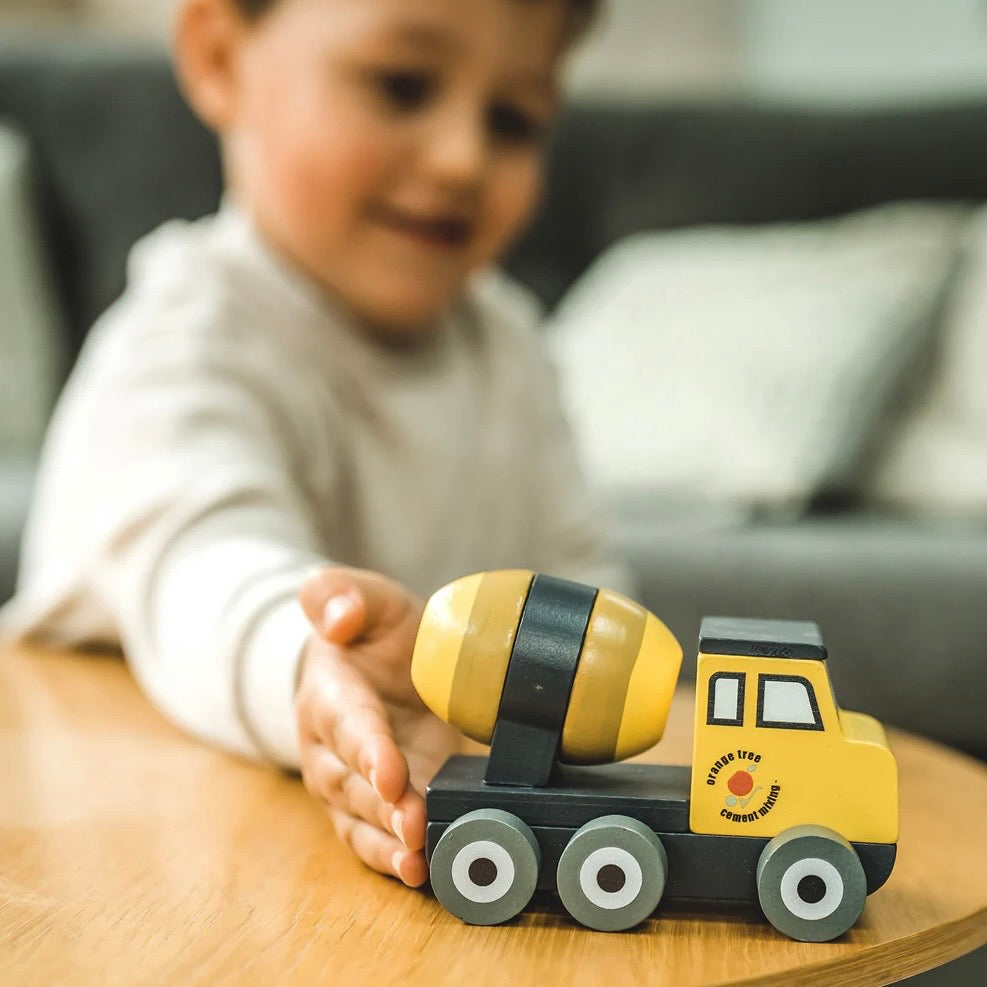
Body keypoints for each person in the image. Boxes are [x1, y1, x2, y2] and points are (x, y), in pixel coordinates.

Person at [0, 0, 628, 888]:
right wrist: (308, 663)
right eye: (401, 85)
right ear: (221, 57)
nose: (461, 157)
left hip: (412, 863)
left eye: (513, 118)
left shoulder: (510, 348)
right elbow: (202, 565)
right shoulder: (185, 337)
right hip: (156, 870)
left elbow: (585, 584)